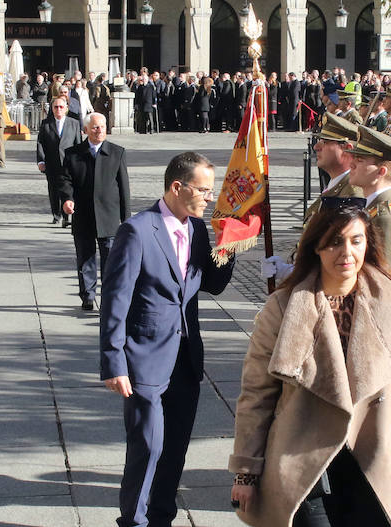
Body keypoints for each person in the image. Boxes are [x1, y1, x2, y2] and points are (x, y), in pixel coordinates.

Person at [229, 205, 391, 527]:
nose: (346, 252)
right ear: (315, 247)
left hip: (373, 453)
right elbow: (256, 393)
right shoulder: (283, 307)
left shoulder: (389, 301)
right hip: (303, 457)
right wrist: (246, 473)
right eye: (334, 242)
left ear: (368, 245)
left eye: (356, 241)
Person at [100, 152, 235, 527]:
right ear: (178, 187)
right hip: (144, 360)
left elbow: (212, 284)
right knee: (149, 447)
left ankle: (161, 519)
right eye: (204, 190)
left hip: (186, 358)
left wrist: (230, 245)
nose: (209, 197)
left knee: (174, 451)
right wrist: (114, 362)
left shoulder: (197, 229)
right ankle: (135, 522)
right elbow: (115, 301)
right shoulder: (138, 230)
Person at [60, 113, 130, 310]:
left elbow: (124, 188)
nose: (100, 131)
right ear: (86, 130)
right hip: (83, 215)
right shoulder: (73, 153)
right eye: (95, 127)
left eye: (102, 127)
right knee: (85, 258)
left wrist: (126, 219)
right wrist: (67, 199)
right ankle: (88, 296)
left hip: (108, 216)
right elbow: (65, 181)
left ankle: (108, 296)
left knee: (110, 260)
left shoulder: (117, 153)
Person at [349, 125, 391, 278]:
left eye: (360, 160)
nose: (352, 164)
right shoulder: (372, 208)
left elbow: (388, 282)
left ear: (381, 171)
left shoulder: (387, 220)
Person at [37, 96, 82, 228]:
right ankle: (56, 214)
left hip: (69, 163)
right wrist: (41, 160)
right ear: (52, 109)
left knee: (68, 189)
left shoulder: (74, 123)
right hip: (52, 163)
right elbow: (40, 143)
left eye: (61, 107)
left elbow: (78, 143)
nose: (58, 109)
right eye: (56, 107)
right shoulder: (46, 123)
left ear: (66, 109)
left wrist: (80, 161)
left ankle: (66, 216)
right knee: (53, 189)